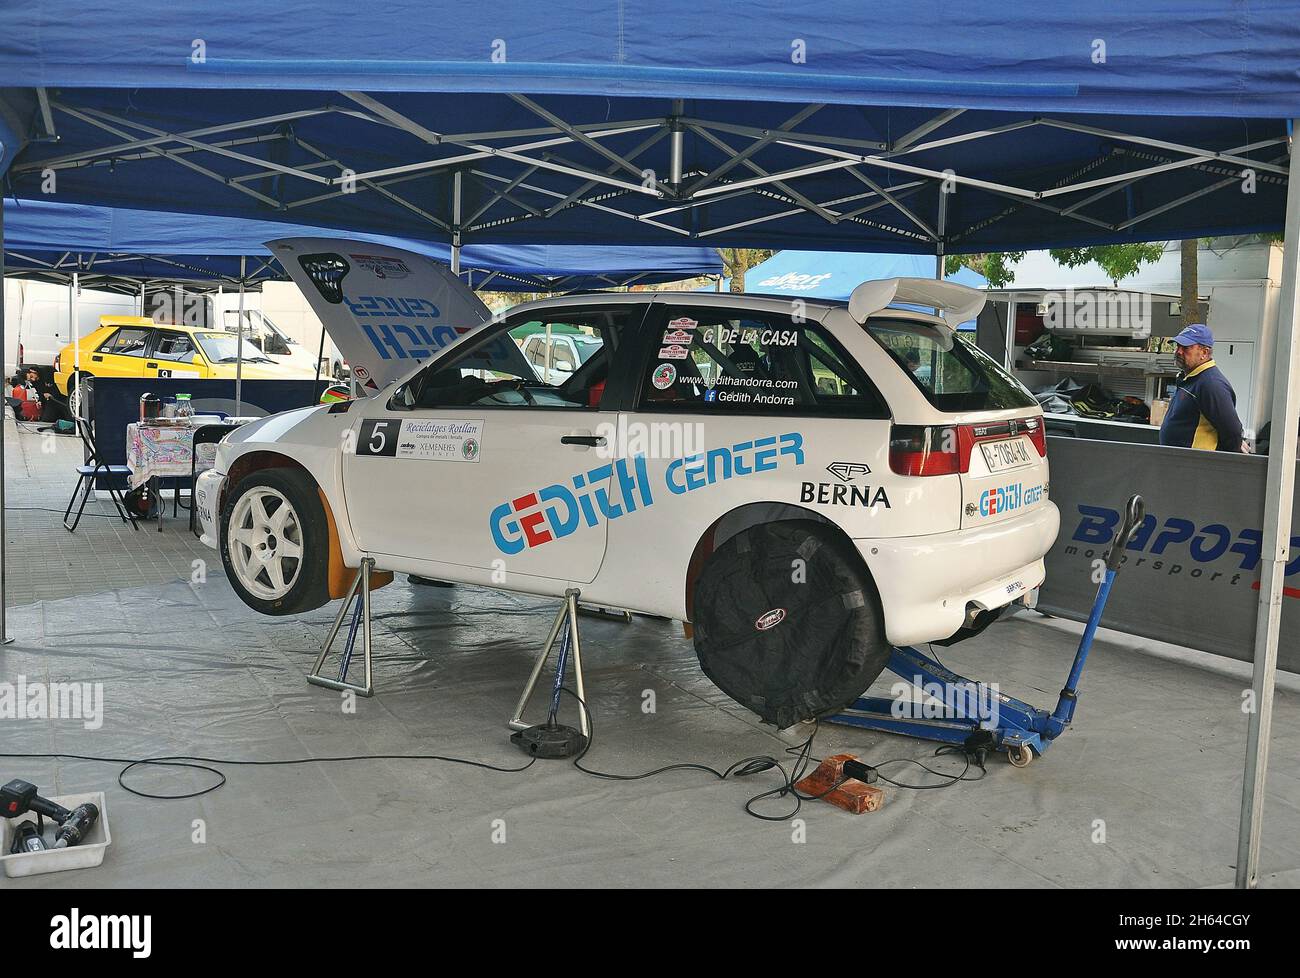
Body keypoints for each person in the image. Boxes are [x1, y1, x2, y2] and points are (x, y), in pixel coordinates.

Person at [1158, 324, 1245, 452]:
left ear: (1204, 352)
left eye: (1186, 347)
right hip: (1176, 463)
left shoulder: (1211, 384)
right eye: (1178, 346)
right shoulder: (1191, 378)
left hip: (1194, 466)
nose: (1178, 351)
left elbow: (1233, 432)